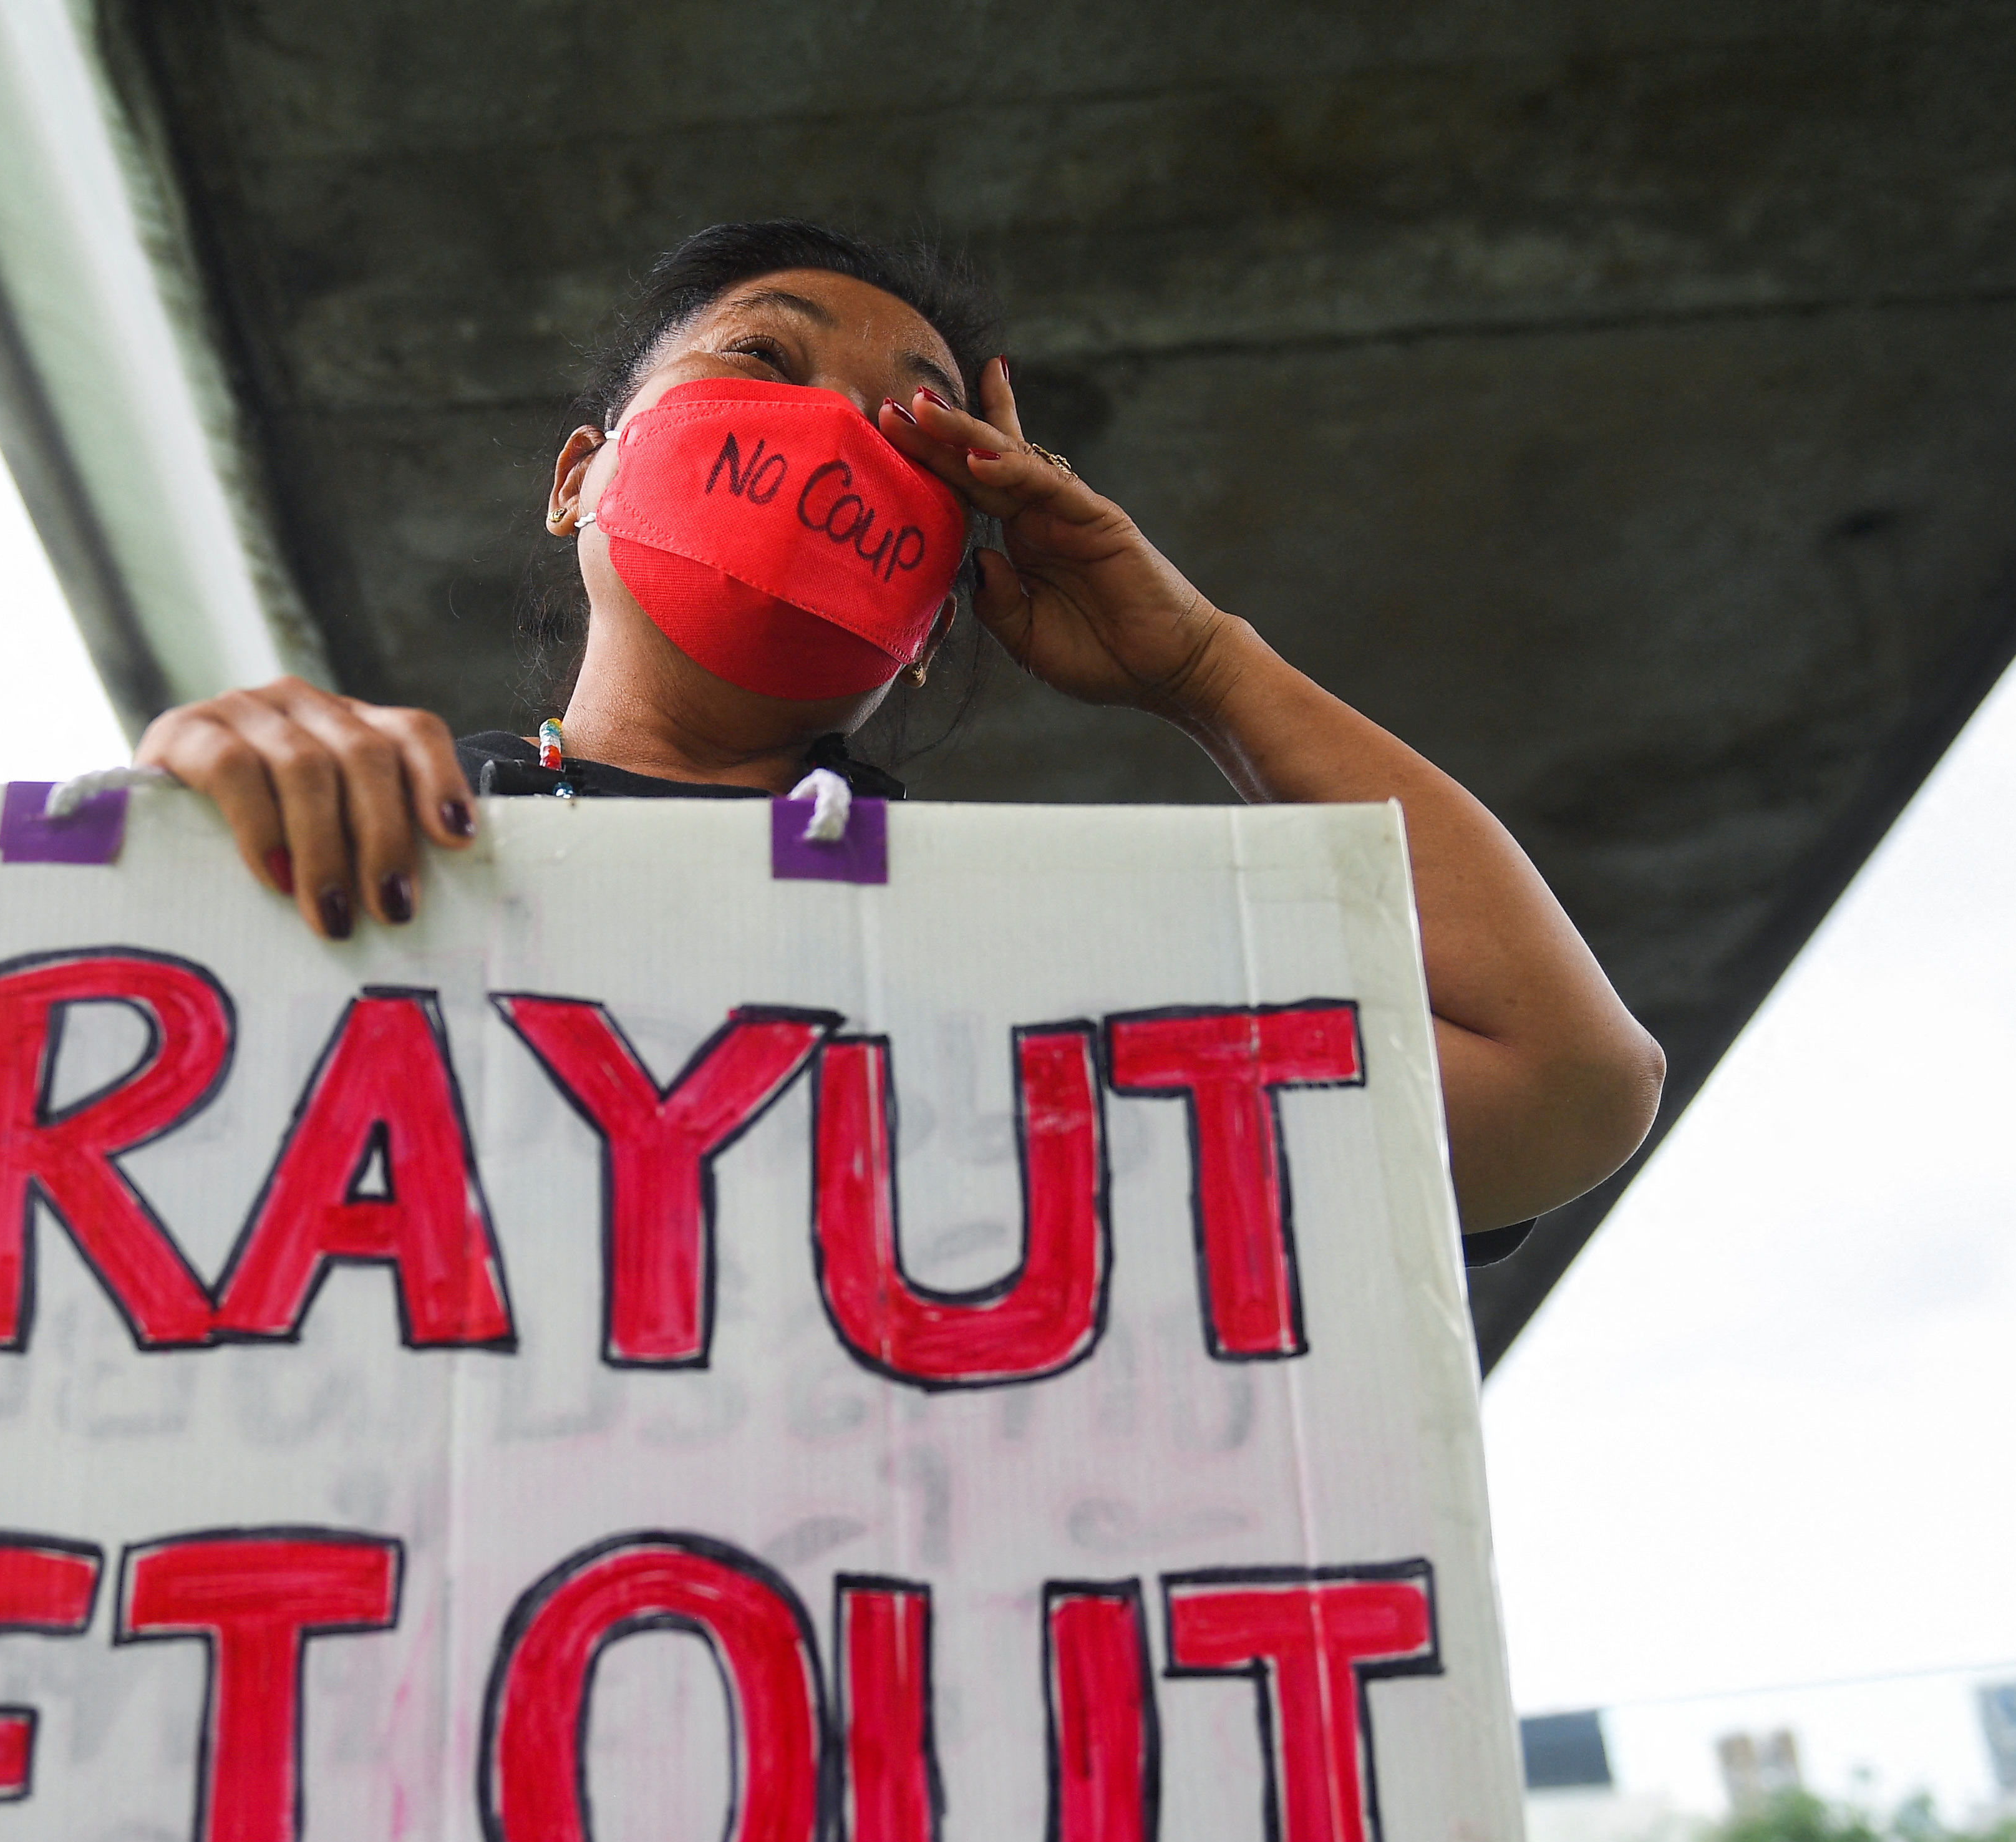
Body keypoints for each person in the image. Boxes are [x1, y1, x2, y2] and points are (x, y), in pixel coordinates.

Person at [132, 221, 1662, 1251]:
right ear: (581, 476)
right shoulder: (380, 834)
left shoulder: (1040, 972)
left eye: (913, 423)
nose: (833, 438)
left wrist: (1201, 665)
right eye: (762, 363)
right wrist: (184, 846)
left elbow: (1566, 1083)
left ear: (937, 604)